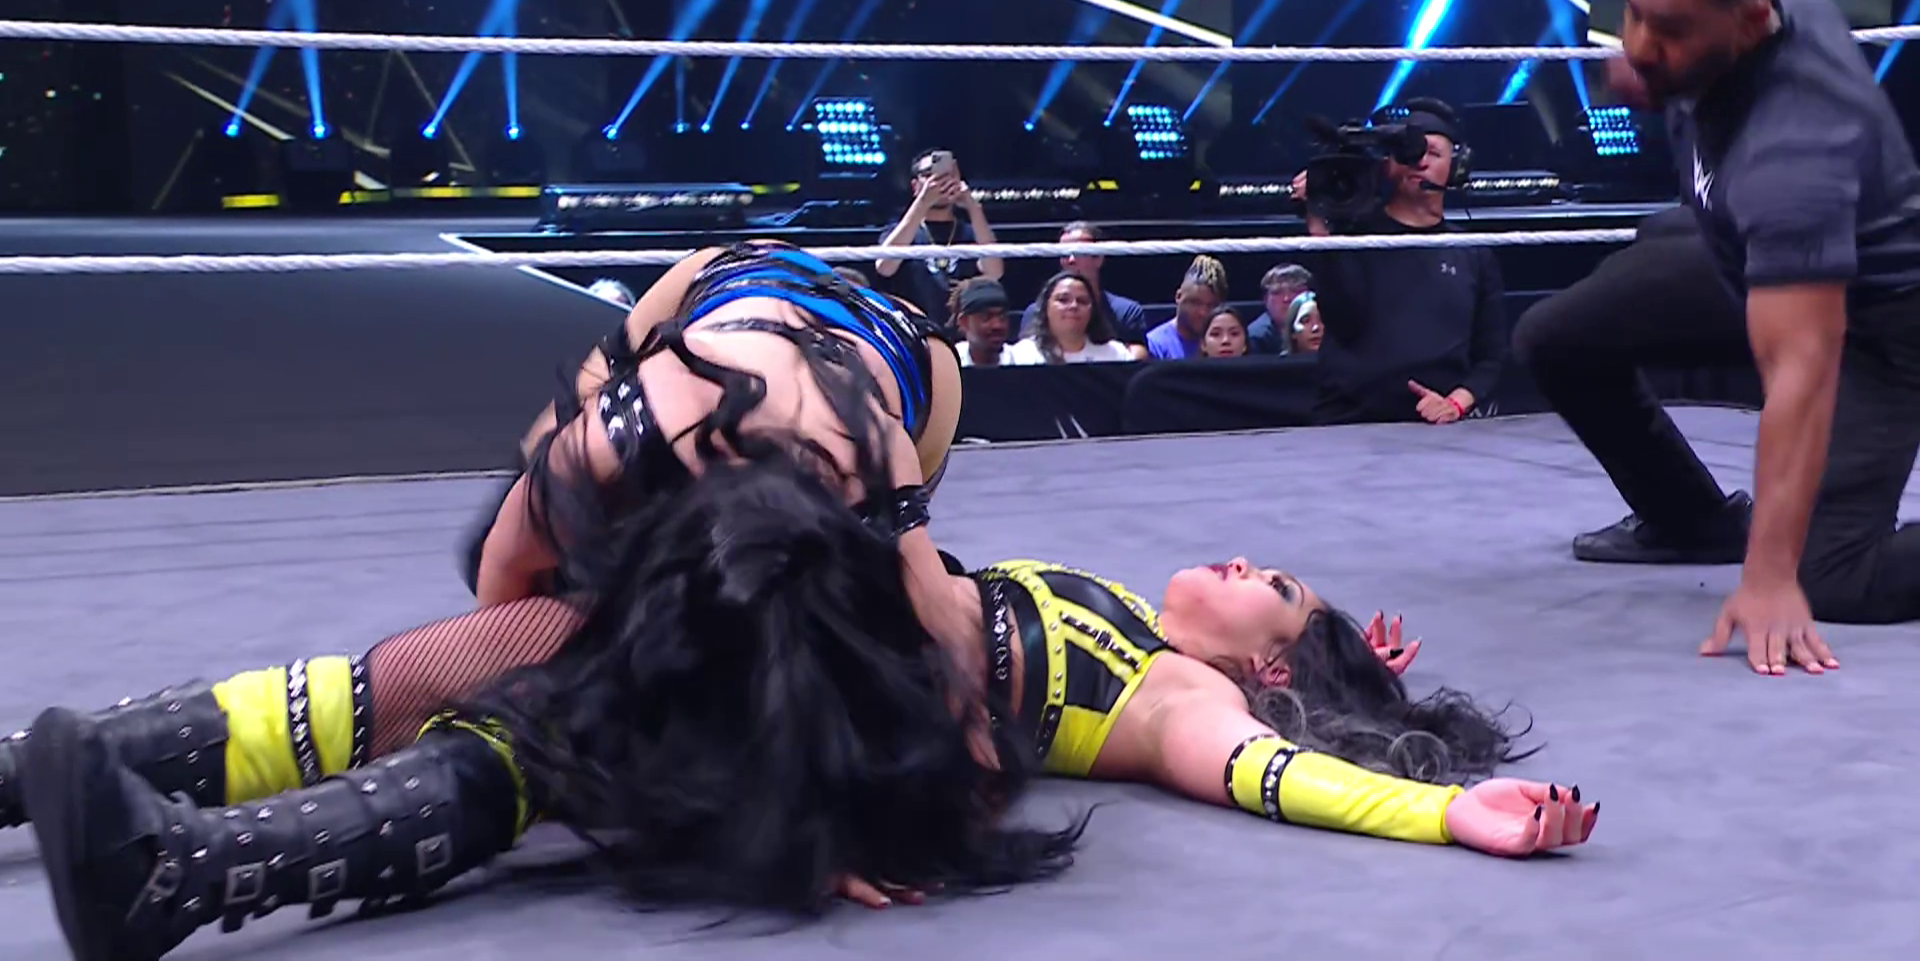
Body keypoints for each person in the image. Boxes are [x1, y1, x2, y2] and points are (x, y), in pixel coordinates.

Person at [13, 542, 1597, 958]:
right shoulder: (1126, 606)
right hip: (813, 620)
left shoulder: (1187, 702)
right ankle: (37, 777)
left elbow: (1278, 776)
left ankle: (183, 871)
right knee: (476, 658)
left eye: (1279, 587)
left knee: (556, 709)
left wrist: (1442, 814)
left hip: (845, 704)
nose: (1253, 563)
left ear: (1270, 660)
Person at [17, 403, 1084, 960]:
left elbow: (943, 640)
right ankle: (165, 856)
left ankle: (152, 849)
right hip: (787, 607)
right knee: (534, 701)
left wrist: (863, 803)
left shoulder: (652, 406)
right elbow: (943, 642)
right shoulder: (848, 432)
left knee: (528, 704)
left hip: (801, 614)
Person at [1512, 0, 1920, 675]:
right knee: (1557, 338)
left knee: (1832, 577)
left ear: (1753, 21)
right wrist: (1658, 59)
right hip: (1741, 251)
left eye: (1669, 31)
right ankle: (1691, 519)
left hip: (1876, 318)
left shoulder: (1796, 147)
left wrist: (1768, 576)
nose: (1639, 44)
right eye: (1633, 14)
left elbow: (1801, 372)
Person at [462, 238, 977, 672]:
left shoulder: (869, 462)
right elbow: (504, 563)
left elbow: (932, 621)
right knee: (522, 527)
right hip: (748, 295)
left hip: (879, 355)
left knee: (864, 639)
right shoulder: (623, 433)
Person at [1290, 98, 1507, 425]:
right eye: (1410, 153)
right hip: (1350, 421)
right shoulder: (1356, 238)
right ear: (1389, 165)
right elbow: (1342, 321)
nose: (1420, 162)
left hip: (1436, 427)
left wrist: (1455, 403)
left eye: (1432, 153)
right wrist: (1319, 224)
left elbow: (1491, 357)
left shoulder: (1472, 252)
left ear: (1456, 167)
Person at [873, 148, 1006, 321]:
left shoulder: (974, 231)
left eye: (945, 175)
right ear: (915, 186)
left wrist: (973, 206)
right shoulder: (899, 231)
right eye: (928, 175)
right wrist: (923, 202)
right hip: (914, 329)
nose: (937, 182)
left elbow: (995, 272)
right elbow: (884, 267)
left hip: (963, 331)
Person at [1018, 222, 1150, 359]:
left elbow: (1138, 355)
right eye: (1063, 253)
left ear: (1098, 259)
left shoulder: (1126, 312)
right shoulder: (1034, 312)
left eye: (1078, 253)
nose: (1070, 260)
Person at [1006, 271, 1137, 365]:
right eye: (1063, 300)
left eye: (1082, 301)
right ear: (1045, 307)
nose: (1074, 306)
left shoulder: (1116, 354)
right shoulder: (1021, 355)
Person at [1146, 256, 1231, 360]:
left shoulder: (1228, 345)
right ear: (1178, 296)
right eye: (1195, 303)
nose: (1203, 312)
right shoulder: (1155, 346)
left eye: (1212, 305)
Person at [1247, 264, 1315, 355]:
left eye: (1296, 291)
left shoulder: (1326, 330)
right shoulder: (1255, 337)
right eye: (1277, 293)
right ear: (1265, 300)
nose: (1287, 299)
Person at [950, 277, 1015, 367]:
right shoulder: (949, 363)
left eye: (1002, 317)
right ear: (964, 322)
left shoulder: (1023, 360)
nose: (997, 325)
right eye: (986, 318)